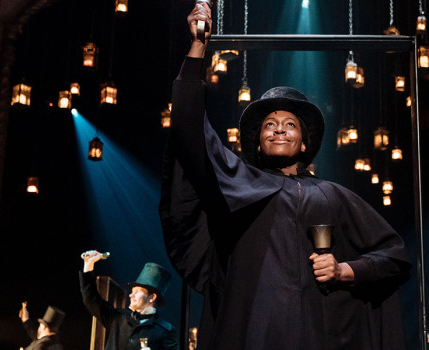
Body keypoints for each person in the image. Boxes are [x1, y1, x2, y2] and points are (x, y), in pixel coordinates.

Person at [158, 3, 411, 350]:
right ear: (257, 143)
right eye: (269, 125)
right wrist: (199, 45)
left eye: (290, 124)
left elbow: (394, 255)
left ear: (304, 140)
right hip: (252, 334)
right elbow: (189, 131)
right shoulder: (237, 181)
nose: (279, 130)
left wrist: (344, 271)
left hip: (325, 337)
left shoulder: (333, 195)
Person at [79, 251, 179, 350]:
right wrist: (88, 263)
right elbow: (91, 299)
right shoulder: (118, 317)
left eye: (137, 291)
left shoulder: (165, 331)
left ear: (152, 297)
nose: (131, 295)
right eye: (132, 291)